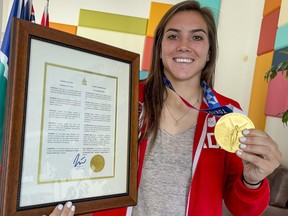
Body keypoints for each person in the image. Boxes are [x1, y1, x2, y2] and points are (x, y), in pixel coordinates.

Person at [48, 1, 282, 215]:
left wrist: (252, 181)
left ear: (210, 51)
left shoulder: (228, 115)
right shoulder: (121, 98)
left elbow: (244, 209)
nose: (183, 46)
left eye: (197, 37)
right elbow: (81, 166)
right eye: (173, 36)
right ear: (159, 48)